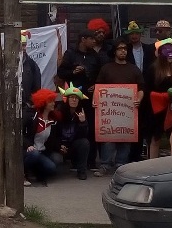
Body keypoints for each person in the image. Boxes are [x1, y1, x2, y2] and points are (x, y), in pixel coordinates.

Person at [93, 39, 144, 176]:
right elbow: (98, 87)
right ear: (114, 51)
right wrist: (95, 100)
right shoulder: (106, 68)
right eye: (120, 49)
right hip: (109, 111)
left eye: (125, 49)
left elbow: (141, 88)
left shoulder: (134, 69)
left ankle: (121, 165)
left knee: (125, 137)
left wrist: (138, 99)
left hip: (127, 110)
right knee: (108, 137)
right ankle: (105, 165)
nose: (123, 51)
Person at [57, 30, 101, 170]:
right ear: (83, 39)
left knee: (91, 127)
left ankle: (91, 161)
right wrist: (72, 72)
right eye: (91, 39)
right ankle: (73, 160)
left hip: (90, 99)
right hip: (73, 99)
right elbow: (61, 73)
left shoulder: (94, 55)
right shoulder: (70, 54)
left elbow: (100, 74)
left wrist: (96, 85)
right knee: (73, 128)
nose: (94, 41)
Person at [147, 38, 172, 157]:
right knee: (155, 139)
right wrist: (162, 96)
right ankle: (152, 167)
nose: (170, 54)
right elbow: (147, 89)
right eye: (167, 51)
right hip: (157, 110)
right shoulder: (153, 69)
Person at [124, 21, 154, 162]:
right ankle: (130, 155)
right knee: (129, 123)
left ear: (141, 34)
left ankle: (142, 152)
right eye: (131, 34)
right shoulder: (125, 50)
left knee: (145, 123)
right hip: (130, 91)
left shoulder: (149, 49)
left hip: (146, 91)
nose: (134, 36)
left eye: (136, 33)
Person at [23, 88, 61, 186]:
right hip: (29, 151)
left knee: (54, 163)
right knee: (34, 154)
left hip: (43, 152)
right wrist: (28, 145)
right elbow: (20, 134)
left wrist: (60, 147)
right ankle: (23, 173)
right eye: (51, 101)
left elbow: (54, 139)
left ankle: (36, 171)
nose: (53, 104)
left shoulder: (53, 120)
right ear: (43, 103)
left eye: (53, 101)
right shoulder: (32, 117)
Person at [56, 84, 91, 180]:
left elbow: (84, 136)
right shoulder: (59, 112)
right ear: (66, 99)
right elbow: (52, 134)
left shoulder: (81, 113)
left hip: (72, 144)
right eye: (71, 97)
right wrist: (58, 145)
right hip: (59, 145)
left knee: (84, 143)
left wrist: (83, 122)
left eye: (76, 98)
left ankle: (81, 171)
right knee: (56, 161)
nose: (74, 100)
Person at [20, 32, 42, 119]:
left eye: (25, 45)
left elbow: (37, 84)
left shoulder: (31, 64)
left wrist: (32, 102)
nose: (24, 48)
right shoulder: (6, 64)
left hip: (26, 107)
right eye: (21, 45)